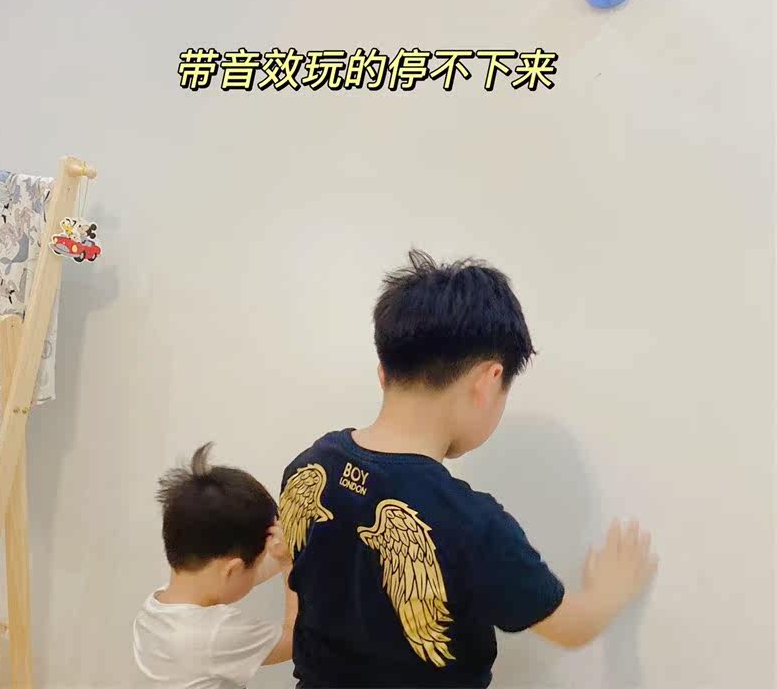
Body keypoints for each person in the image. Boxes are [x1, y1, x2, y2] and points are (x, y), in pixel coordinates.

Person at [279, 250, 658, 688]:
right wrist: (609, 592)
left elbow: (299, 572)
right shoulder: (474, 524)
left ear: (384, 371)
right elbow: (570, 627)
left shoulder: (309, 467)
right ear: (488, 381)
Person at [134, 442, 296, 688]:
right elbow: (294, 640)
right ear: (232, 570)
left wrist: (281, 550)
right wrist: (288, 564)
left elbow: (236, 578)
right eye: (255, 566)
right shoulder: (213, 634)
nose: (256, 573)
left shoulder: (155, 608)